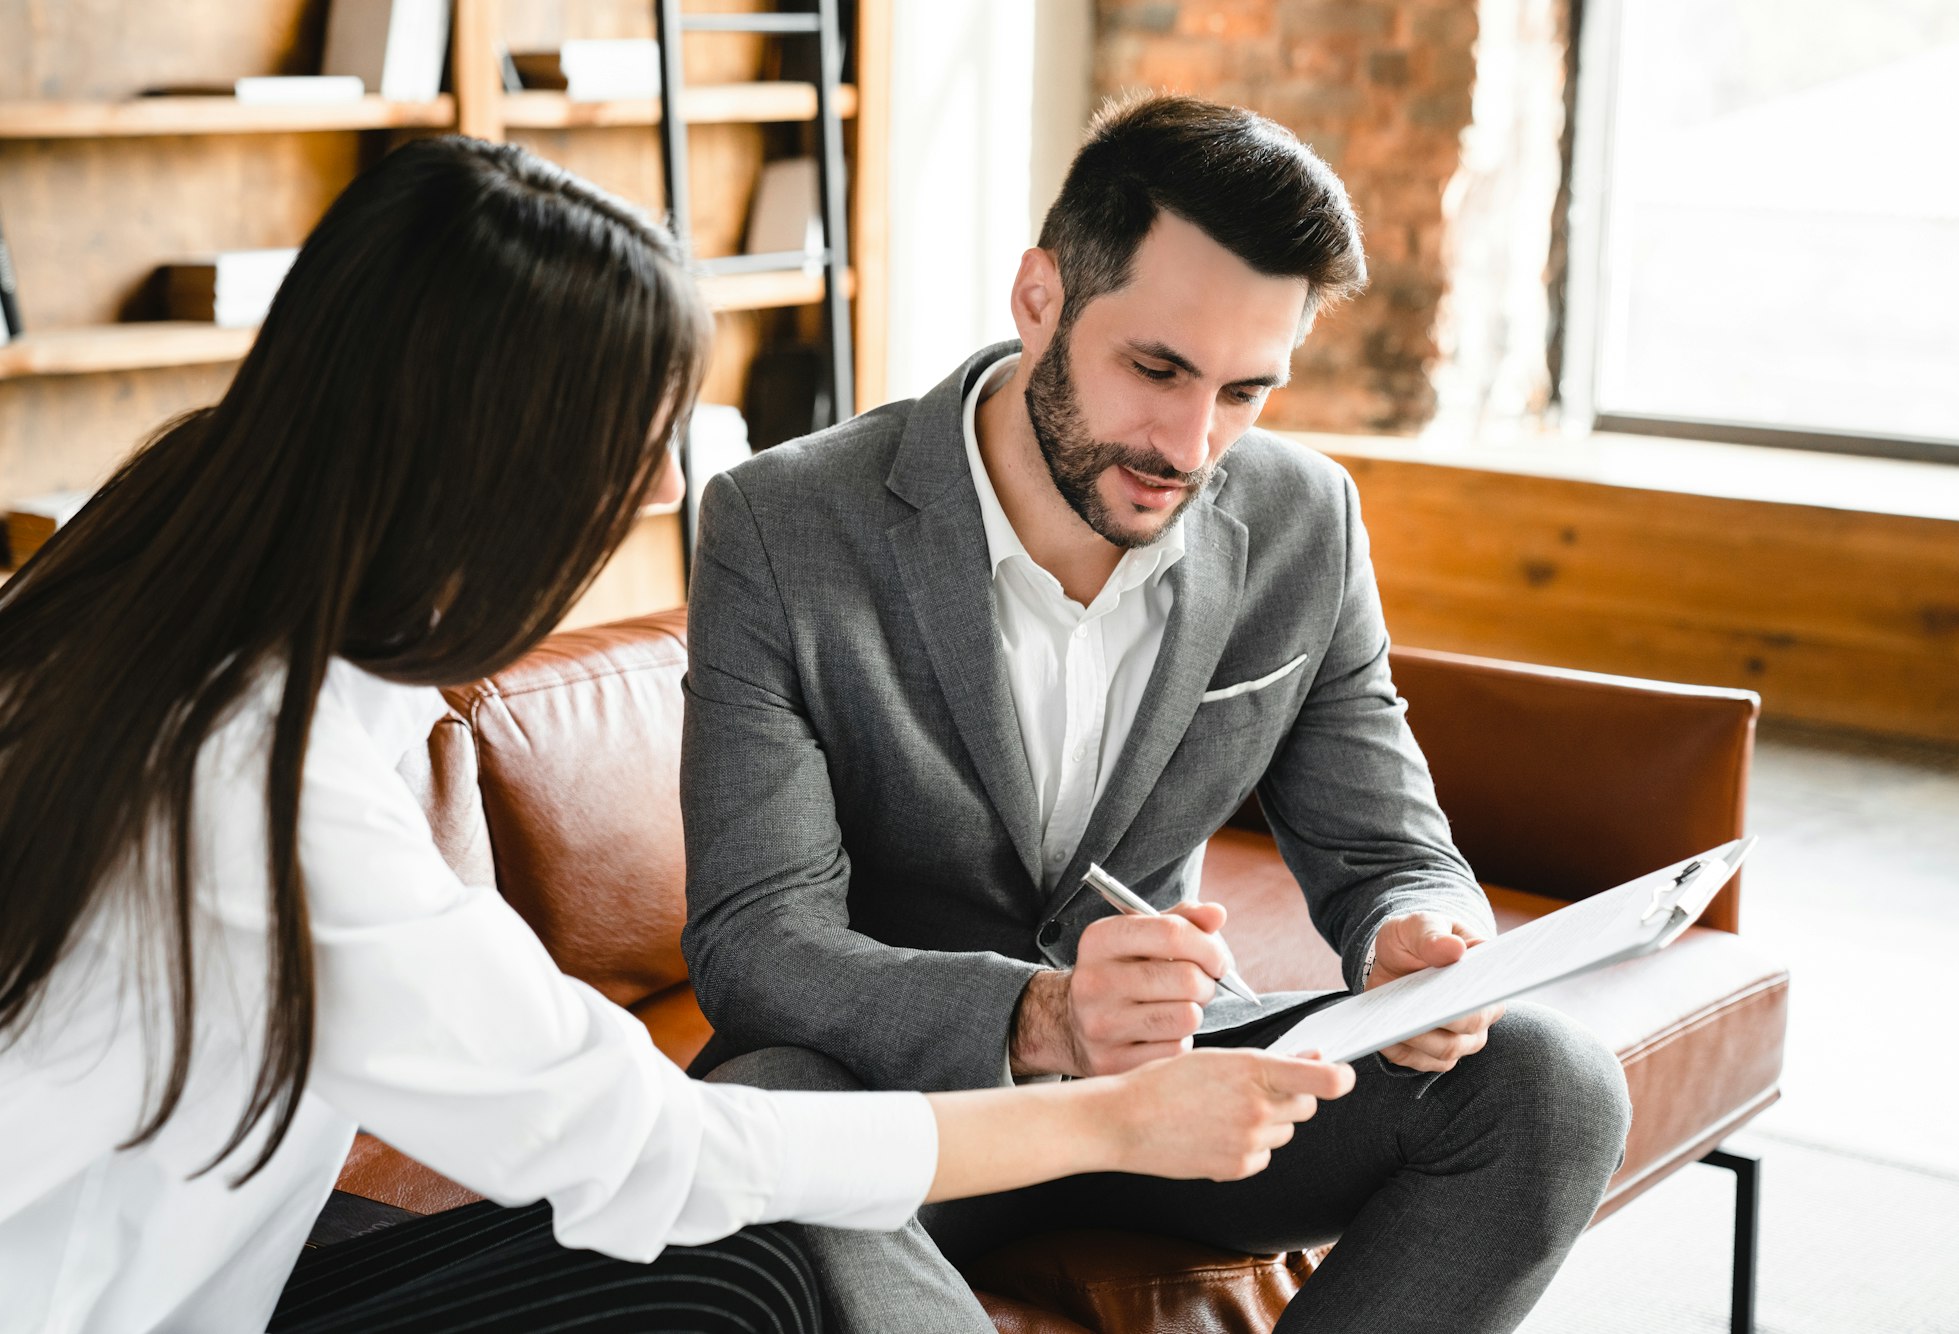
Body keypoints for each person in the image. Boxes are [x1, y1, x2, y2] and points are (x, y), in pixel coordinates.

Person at [0, 135, 1357, 1334]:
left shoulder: (183, 560)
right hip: (113, 1298)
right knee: (734, 1258)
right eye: (633, 435)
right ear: (484, 449)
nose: (658, 483)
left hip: (215, 1250)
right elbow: (652, 1140)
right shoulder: (260, 783)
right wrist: (1111, 1116)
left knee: (731, 1264)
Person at [679, 93, 1634, 1333]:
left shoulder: (1303, 518)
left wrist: (1418, 938)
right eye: (1156, 368)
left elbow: (1392, 851)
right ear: (1037, 298)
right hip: (906, 1105)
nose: (1189, 444)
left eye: (1244, 391)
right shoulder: (780, 522)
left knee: (1549, 1085)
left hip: (1179, 1085)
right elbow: (756, 940)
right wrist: (1041, 1016)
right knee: (763, 1123)